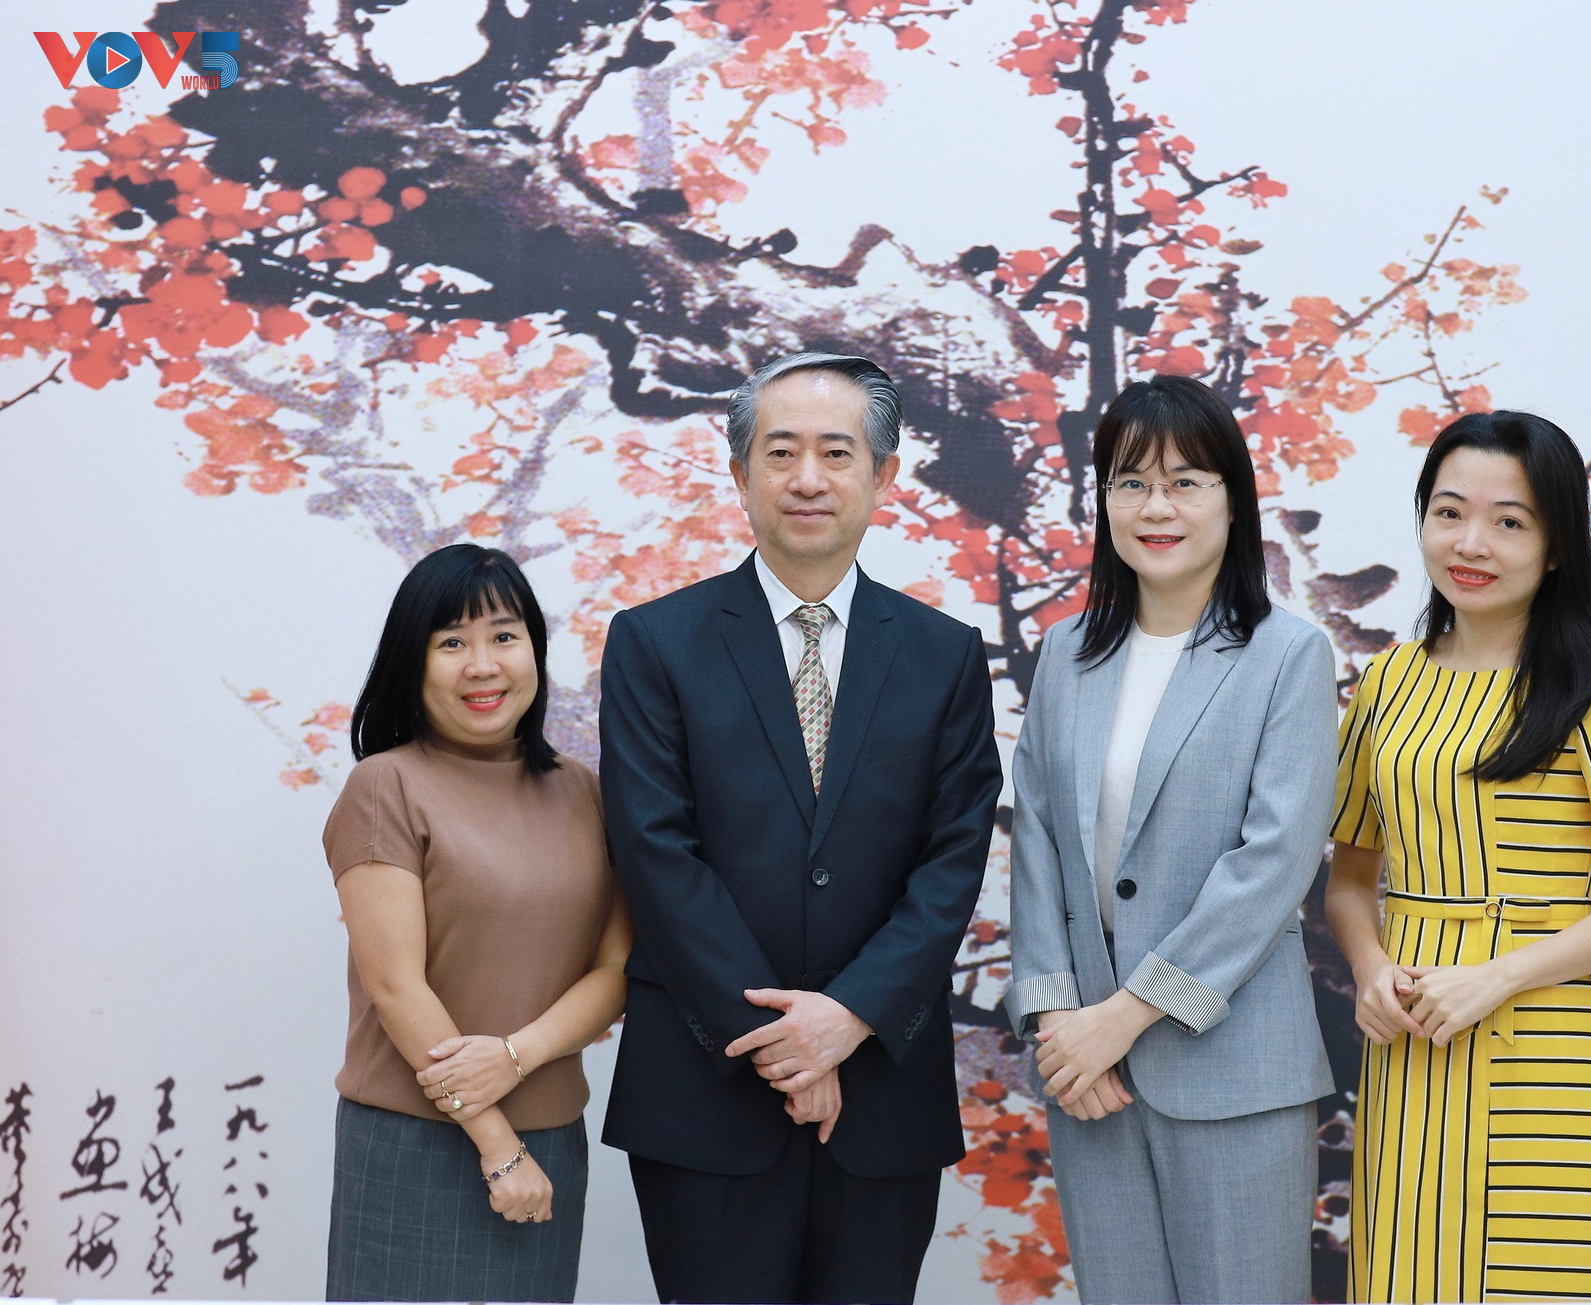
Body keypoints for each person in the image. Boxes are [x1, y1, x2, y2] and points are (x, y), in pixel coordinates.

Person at [598, 352, 1003, 1304]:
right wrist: (782, 1043)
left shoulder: (943, 654)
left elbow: (951, 859)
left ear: (883, 474)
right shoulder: (654, 642)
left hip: (882, 1092)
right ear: (740, 472)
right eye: (780, 452)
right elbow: (656, 853)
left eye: (836, 451)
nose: (808, 477)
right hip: (705, 1090)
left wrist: (847, 1016)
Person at [1325, 410, 1591, 1303]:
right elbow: (1348, 877)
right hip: (1410, 1036)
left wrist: (1493, 978)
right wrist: (1370, 968)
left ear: (1556, 545)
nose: (1471, 543)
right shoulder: (1386, 682)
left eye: (1509, 521)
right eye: (1448, 512)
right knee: (1402, 1278)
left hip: (1540, 1042)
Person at [1004, 374, 1340, 1305]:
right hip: (1088, 1073)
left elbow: (1272, 863)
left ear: (1233, 500)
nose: (1157, 507)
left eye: (1186, 481)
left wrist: (1123, 1016)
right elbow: (1037, 840)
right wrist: (1057, 1021)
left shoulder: (1287, 653)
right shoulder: (1066, 652)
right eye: (1131, 482)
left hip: (1232, 1068)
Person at [322, 543, 632, 1302]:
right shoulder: (385, 786)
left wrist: (517, 1058)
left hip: (549, 1140)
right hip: (416, 1144)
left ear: (535, 650)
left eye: (504, 636)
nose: (483, 665)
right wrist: (496, 1143)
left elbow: (617, 969)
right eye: (452, 643)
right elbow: (396, 986)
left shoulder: (585, 792)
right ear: (414, 662)